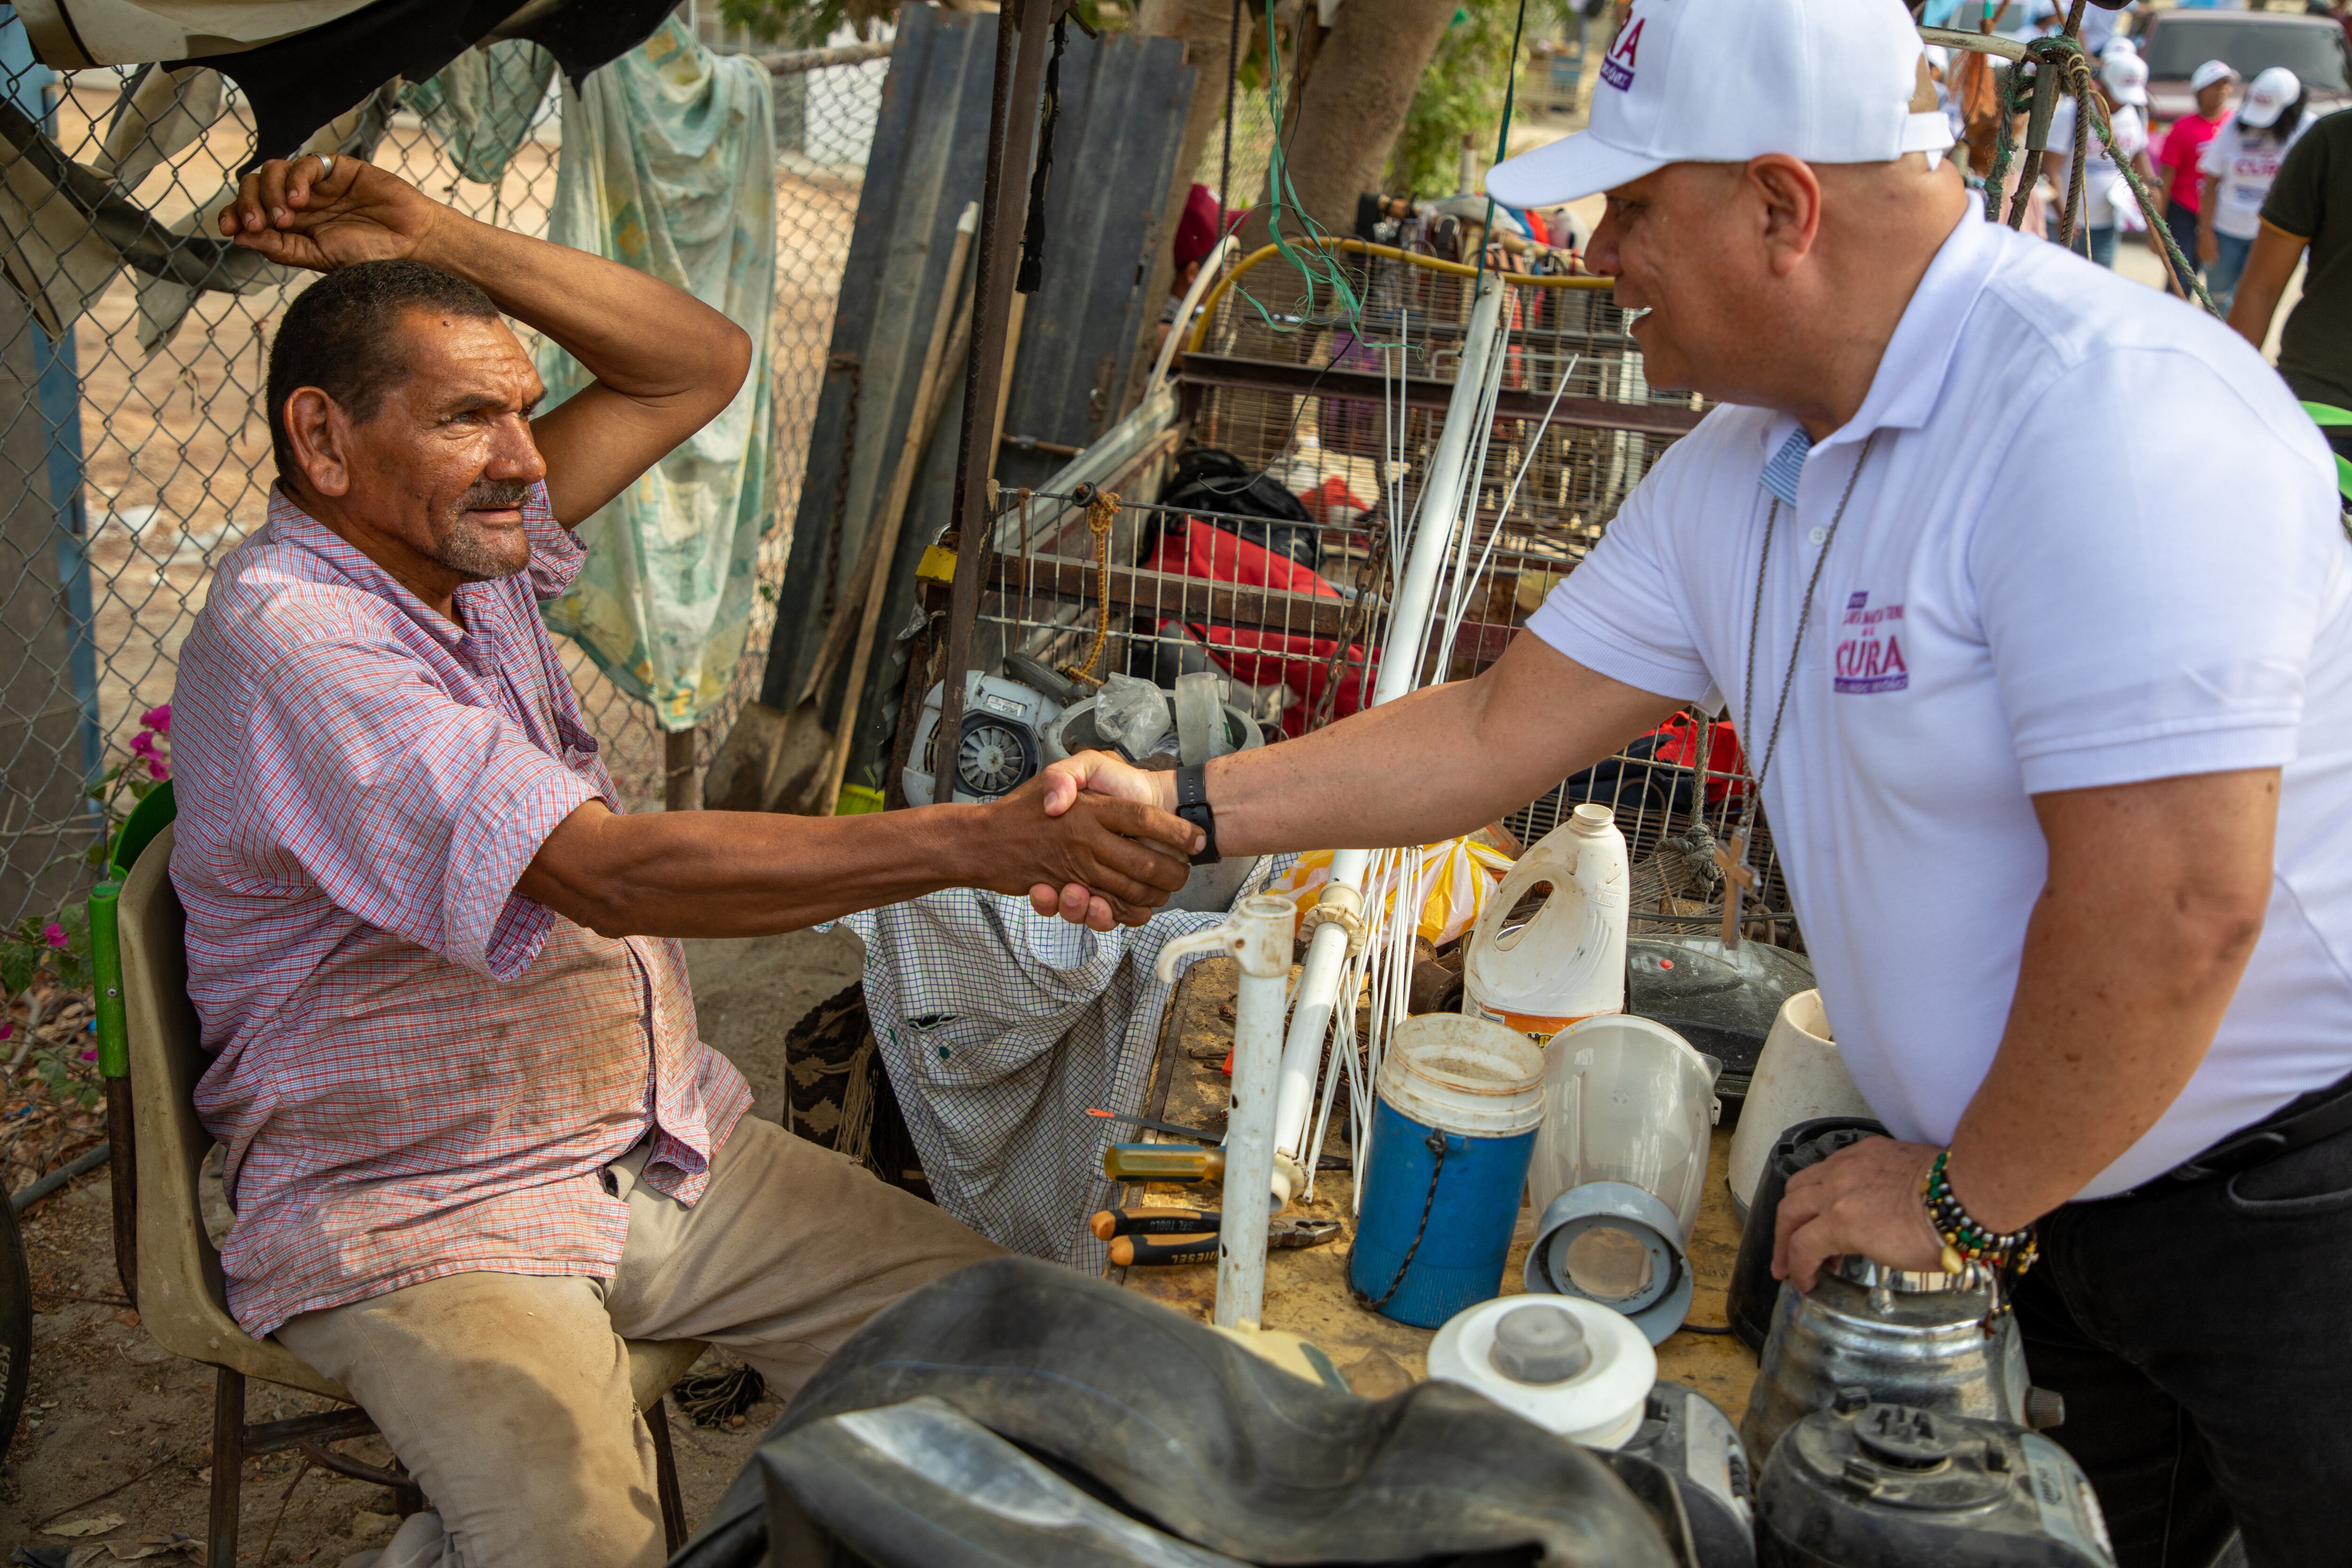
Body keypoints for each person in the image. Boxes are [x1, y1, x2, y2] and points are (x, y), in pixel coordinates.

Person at [1041, 0, 2350, 1561]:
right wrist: (1189, 807)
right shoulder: (1746, 464)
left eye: (1637, 205)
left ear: (1784, 206)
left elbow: (2177, 904)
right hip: (2049, 1208)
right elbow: (1486, 733)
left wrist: (1963, 1195)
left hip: (2292, 1210)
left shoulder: (2106, 415)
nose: (1603, 252)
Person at [174, 157, 1197, 1568]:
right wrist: (980, 838)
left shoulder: (467, 560)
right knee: (577, 1547)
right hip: (429, 1204)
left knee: (1030, 1369)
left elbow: (693, 365)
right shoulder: (300, 634)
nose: (527, 463)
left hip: (655, 1153)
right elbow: (610, 875)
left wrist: (435, 234)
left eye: (525, 412)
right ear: (323, 439)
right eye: (470, 414)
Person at [2228, 106, 2352, 464]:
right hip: (2327, 420)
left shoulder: (2330, 139)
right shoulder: (2331, 143)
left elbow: (2261, 290)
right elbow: (2261, 290)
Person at [2200, 65, 2319, 307]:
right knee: (2217, 301)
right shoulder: (2234, 126)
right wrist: (2206, 233)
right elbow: (2211, 182)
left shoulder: (2309, 129)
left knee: (2255, 304)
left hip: (2273, 236)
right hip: (2226, 233)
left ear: (2291, 110)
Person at [2045, 49, 2155, 268]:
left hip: (2108, 223)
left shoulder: (2136, 114)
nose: (2123, 103)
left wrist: (2152, 193)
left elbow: (2139, 157)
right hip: (2067, 224)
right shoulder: (2072, 114)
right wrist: (2064, 217)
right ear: (2104, 85)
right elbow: (2049, 169)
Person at [2150, 59, 2236, 290]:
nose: (2221, 91)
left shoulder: (2236, 126)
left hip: (2223, 212)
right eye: (2215, 85)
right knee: (2181, 280)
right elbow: (2165, 182)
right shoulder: (2182, 128)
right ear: (2200, 91)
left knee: (2223, 285)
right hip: (2185, 212)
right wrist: (2157, 229)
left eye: (2225, 85)